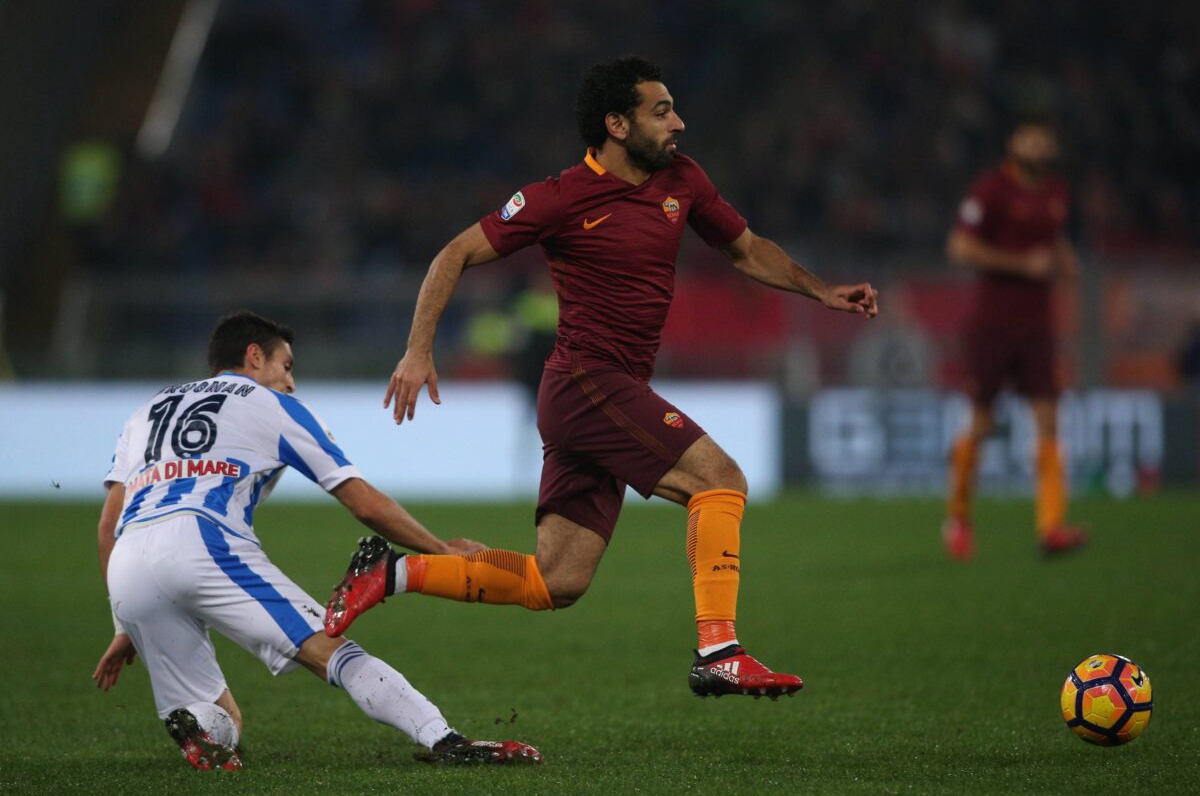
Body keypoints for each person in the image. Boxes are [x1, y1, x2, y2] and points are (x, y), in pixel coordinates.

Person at [326, 56, 877, 698]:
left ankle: (392, 574)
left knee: (556, 582)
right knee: (720, 483)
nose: (679, 121)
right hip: (588, 382)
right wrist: (418, 350)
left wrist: (823, 293)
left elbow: (747, 248)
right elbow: (454, 253)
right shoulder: (557, 198)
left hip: (600, 393)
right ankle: (719, 649)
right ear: (617, 124)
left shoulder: (684, 179)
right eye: (661, 110)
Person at [92, 311, 542, 770]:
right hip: (202, 541)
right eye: (286, 367)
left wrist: (123, 624)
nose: (291, 382)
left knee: (223, 717)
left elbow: (108, 526)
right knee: (332, 652)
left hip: (127, 565)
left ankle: (195, 726)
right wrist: (442, 551)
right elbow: (363, 503)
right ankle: (444, 739)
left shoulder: (145, 412)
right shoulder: (271, 405)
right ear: (254, 356)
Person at [942, 121, 1088, 560]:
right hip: (992, 325)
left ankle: (1051, 528)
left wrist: (1064, 259)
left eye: (1044, 138)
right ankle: (959, 517)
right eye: (1029, 137)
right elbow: (959, 247)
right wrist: (1023, 265)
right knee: (982, 424)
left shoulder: (1057, 192)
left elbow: (1053, 242)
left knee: (1049, 419)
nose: (1037, 145)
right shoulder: (991, 190)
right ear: (1013, 144)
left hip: (1038, 326)